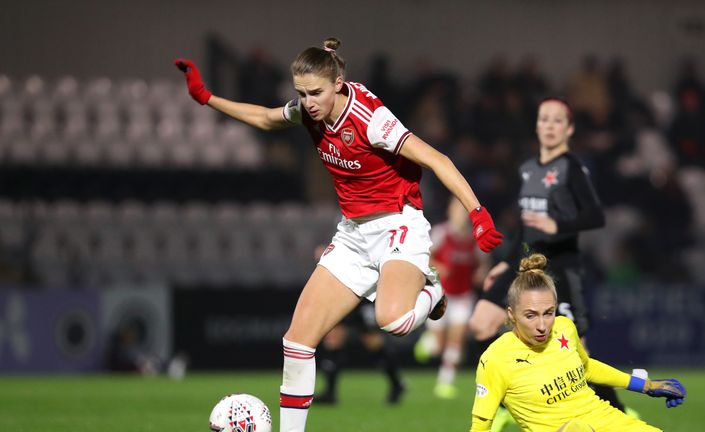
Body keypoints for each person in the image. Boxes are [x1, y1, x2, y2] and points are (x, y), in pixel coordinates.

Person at [174, 37, 503, 432]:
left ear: (338, 83)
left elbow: (436, 158)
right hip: (353, 234)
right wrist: (207, 97)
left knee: (393, 322)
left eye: (315, 92)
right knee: (297, 341)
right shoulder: (310, 112)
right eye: (301, 93)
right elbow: (264, 118)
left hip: (399, 223)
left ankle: (433, 291)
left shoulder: (371, 119)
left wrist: (477, 212)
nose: (308, 102)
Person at [468, 97, 629, 417]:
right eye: (544, 119)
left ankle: (617, 411)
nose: (550, 126)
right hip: (523, 263)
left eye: (557, 121)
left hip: (560, 270)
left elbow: (596, 216)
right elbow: (527, 227)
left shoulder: (572, 169)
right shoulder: (529, 169)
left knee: (579, 351)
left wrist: (558, 224)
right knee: (480, 324)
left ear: (568, 129)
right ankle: (510, 400)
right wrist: (505, 261)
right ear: (537, 126)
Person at [470, 253, 686, 432]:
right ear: (511, 314)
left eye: (548, 312)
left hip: (605, 419)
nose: (542, 324)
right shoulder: (495, 359)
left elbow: (587, 368)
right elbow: (480, 426)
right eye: (531, 315)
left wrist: (646, 386)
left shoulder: (564, 327)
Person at [414, 196, 489, 399]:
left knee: (456, 341)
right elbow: (423, 256)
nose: (460, 215)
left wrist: (481, 272)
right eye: (457, 210)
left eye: (464, 211)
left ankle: (444, 383)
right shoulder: (441, 233)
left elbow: (483, 261)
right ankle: (428, 342)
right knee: (438, 347)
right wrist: (439, 266)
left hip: (463, 296)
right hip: (440, 293)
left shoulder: (474, 238)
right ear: (450, 211)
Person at [314, 301, 406, 406]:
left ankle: (396, 383)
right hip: (342, 294)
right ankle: (330, 392)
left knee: (373, 342)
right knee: (333, 339)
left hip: (362, 297)